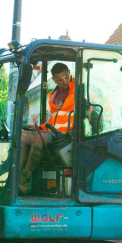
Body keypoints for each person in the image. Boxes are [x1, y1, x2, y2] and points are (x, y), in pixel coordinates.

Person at [18, 62, 75, 194]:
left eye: (67, 77)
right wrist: (39, 126)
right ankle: (17, 176)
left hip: (67, 135)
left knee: (40, 136)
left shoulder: (76, 89)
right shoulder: (54, 95)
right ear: (54, 79)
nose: (65, 81)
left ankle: (26, 175)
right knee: (22, 135)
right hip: (54, 132)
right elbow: (54, 119)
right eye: (60, 80)